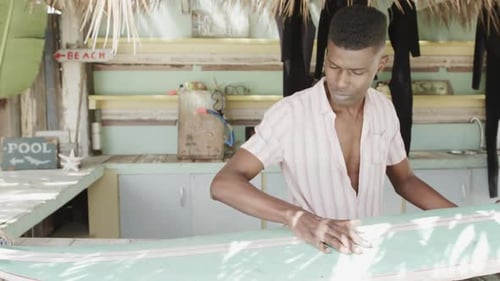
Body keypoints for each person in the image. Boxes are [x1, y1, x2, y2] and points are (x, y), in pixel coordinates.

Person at [210, 5, 456, 255]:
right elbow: (223, 184)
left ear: (381, 64)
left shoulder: (384, 110)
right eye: (334, 66)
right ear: (326, 55)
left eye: (356, 72)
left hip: (367, 254)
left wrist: (464, 216)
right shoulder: (290, 114)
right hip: (312, 257)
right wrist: (297, 218)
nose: (341, 82)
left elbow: (405, 180)